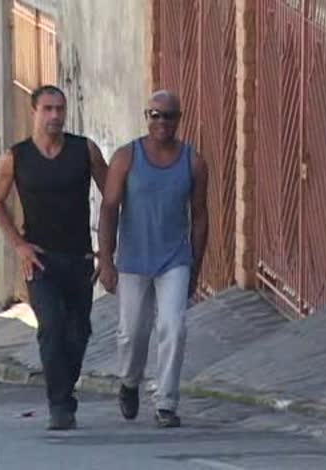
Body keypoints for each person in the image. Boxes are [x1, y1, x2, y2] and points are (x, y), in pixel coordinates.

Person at [0, 85, 107, 430]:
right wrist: (19, 245)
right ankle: (60, 405)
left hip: (80, 257)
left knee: (79, 332)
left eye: (60, 109)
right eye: (48, 109)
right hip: (40, 260)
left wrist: (108, 247)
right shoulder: (16, 157)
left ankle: (64, 390)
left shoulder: (84, 150)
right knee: (52, 327)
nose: (55, 116)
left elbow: (112, 197)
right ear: (35, 112)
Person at [98, 90, 209, 428]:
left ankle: (166, 403)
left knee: (173, 327)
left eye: (169, 116)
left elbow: (200, 216)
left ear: (179, 119)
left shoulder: (193, 162)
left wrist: (195, 266)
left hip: (174, 259)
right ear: (146, 117)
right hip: (133, 259)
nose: (162, 122)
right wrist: (106, 260)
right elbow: (109, 208)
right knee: (132, 332)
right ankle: (130, 381)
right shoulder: (126, 158)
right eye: (155, 115)